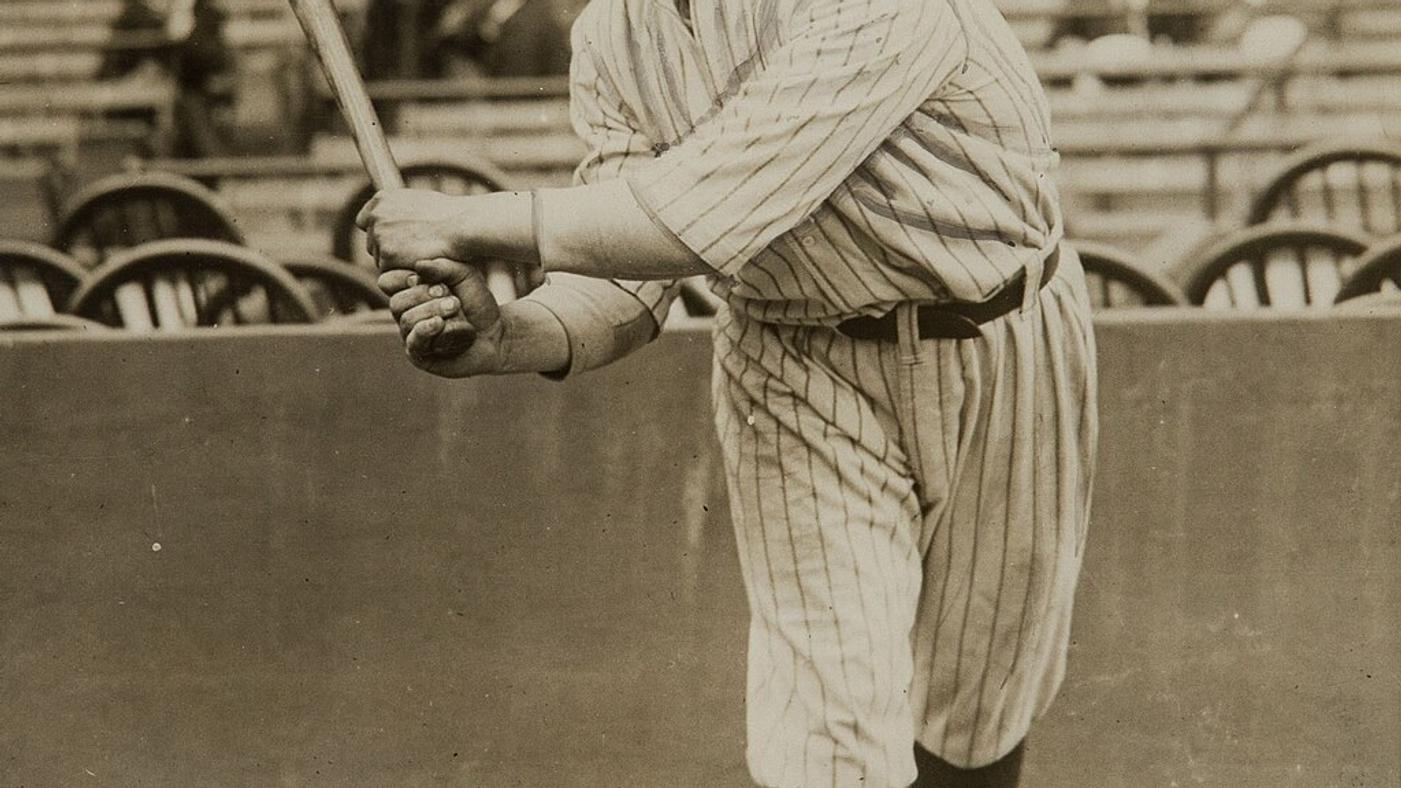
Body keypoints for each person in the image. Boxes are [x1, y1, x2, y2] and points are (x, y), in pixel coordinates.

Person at [358, 0, 1098, 784]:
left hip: (1004, 331)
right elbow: (630, 278)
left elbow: (705, 213)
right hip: (796, 364)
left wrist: (465, 221)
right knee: (828, 738)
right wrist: (512, 334)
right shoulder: (614, 36)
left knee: (975, 711)